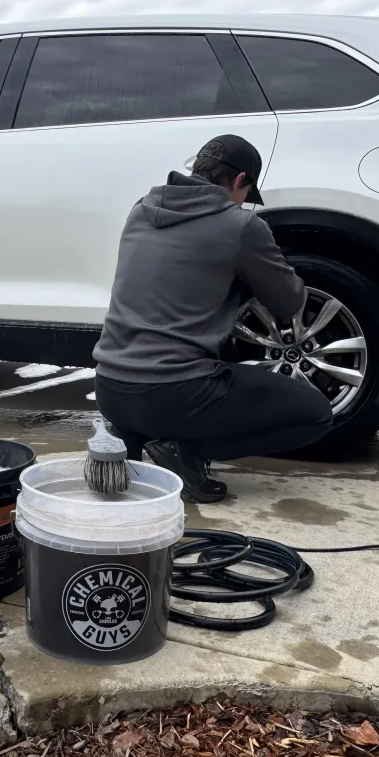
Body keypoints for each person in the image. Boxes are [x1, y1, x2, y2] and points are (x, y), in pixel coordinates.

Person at [93, 135, 333, 502]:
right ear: (240, 182)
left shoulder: (141, 209)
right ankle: (186, 449)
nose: (243, 202)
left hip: (110, 388)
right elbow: (288, 302)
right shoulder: (239, 226)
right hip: (175, 393)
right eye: (247, 193)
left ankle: (135, 434)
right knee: (316, 414)